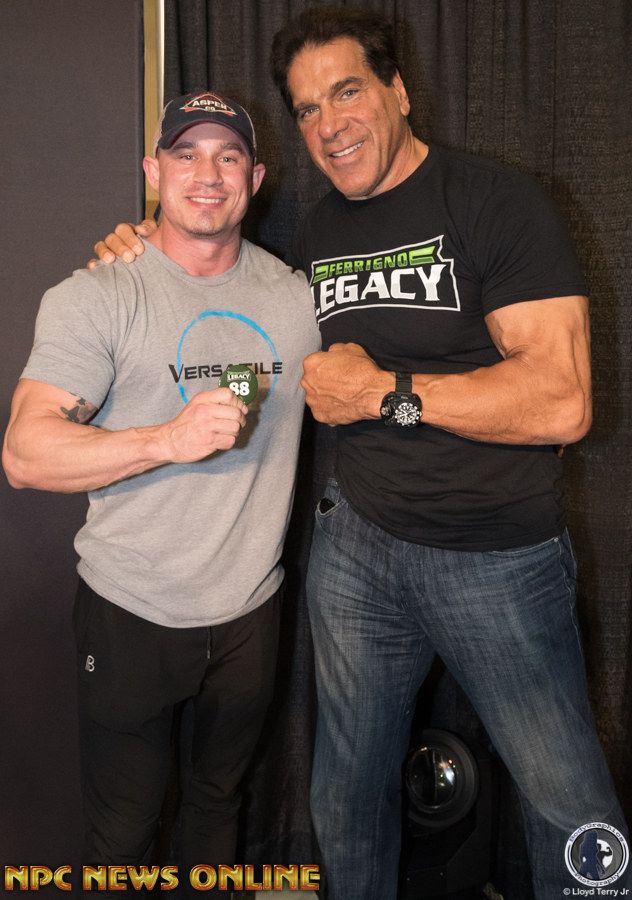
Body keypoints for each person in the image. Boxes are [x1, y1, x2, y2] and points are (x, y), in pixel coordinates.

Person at [88, 8, 630, 899]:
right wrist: (146, 245)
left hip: (496, 556)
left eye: (347, 92)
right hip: (359, 552)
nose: (329, 124)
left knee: (568, 802)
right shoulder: (320, 232)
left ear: (399, 91)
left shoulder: (495, 202)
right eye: (307, 109)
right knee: (344, 801)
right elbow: (228, 289)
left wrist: (387, 393)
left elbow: (564, 400)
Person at [2, 90, 320, 890]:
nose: (207, 174)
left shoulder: (296, 298)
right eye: (186, 154)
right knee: (124, 836)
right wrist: (164, 441)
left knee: (218, 811)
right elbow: (25, 454)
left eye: (228, 156)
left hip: (250, 614)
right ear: (153, 171)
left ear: (255, 178)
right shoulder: (101, 293)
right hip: (131, 612)